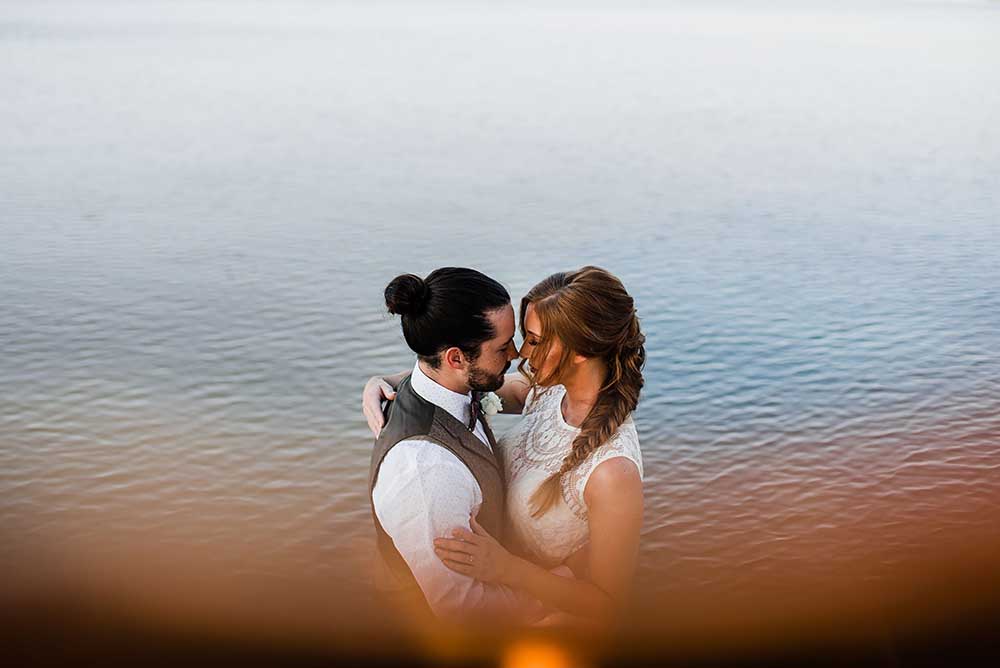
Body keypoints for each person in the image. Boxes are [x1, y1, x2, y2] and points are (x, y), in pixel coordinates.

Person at [364, 266, 644, 627]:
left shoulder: (612, 473)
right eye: (518, 339)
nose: (519, 353)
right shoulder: (547, 392)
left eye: (534, 340)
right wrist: (384, 382)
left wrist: (510, 570)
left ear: (581, 352)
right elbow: (455, 377)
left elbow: (609, 605)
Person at [366, 266, 544, 624]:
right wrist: (556, 595)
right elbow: (465, 609)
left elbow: (529, 390)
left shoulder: (452, 385)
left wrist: (381, 378)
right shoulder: (425, 471)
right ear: (456, 358)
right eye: (502, 346)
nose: (516, 354)